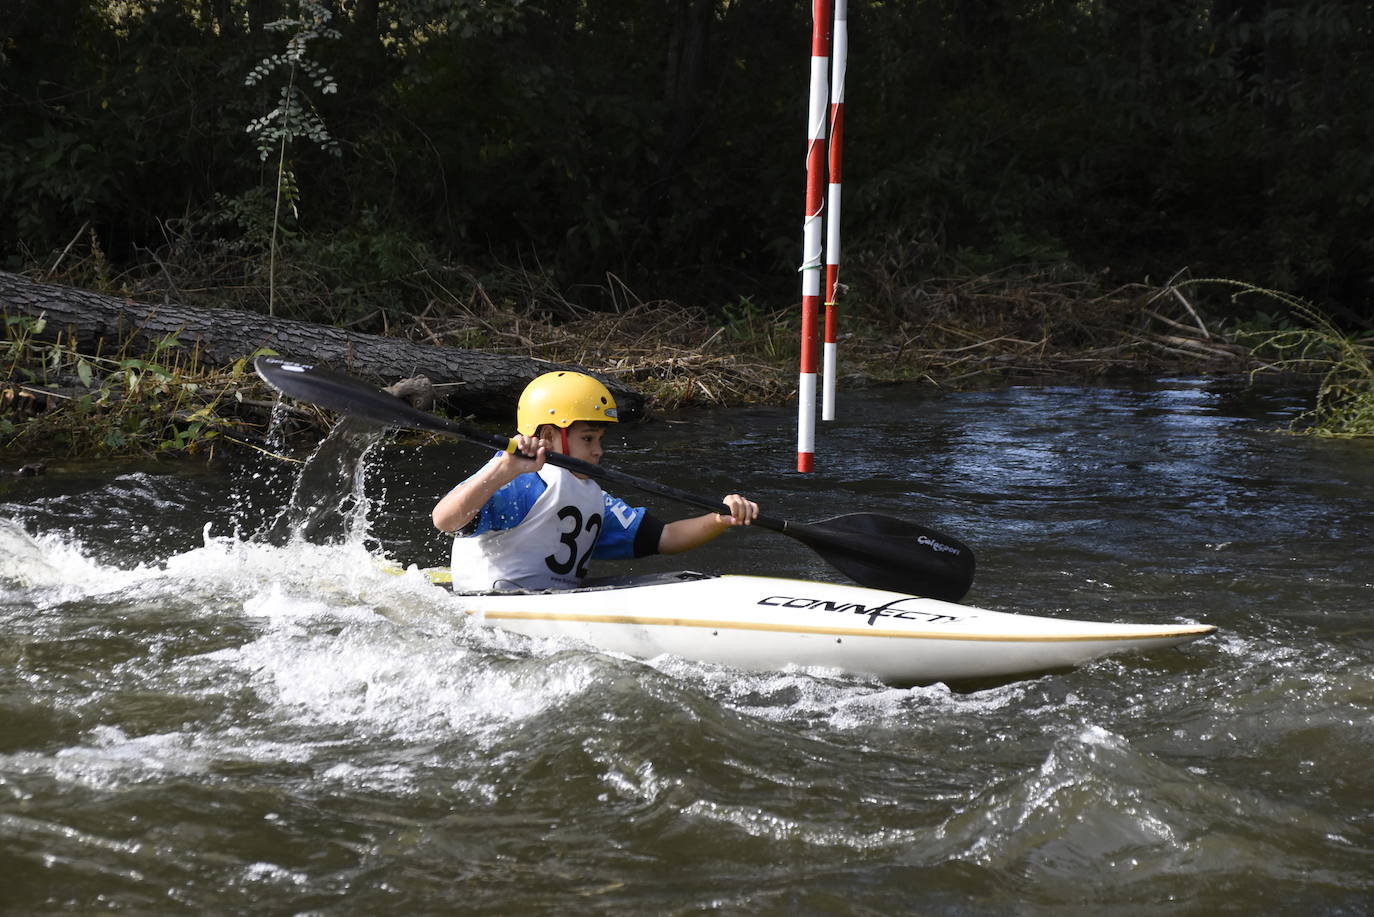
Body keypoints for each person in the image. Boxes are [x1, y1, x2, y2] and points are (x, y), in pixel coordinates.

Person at [431, 370, 759, 592]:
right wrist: (502, 471)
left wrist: (720, 519)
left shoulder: (592, 498)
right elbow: (444, 520)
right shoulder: (518, 480)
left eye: (600, 439)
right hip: (492, 607)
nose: (599, 451)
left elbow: (665, 537)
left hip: (555, 609)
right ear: (548, 436)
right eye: (588, 439)